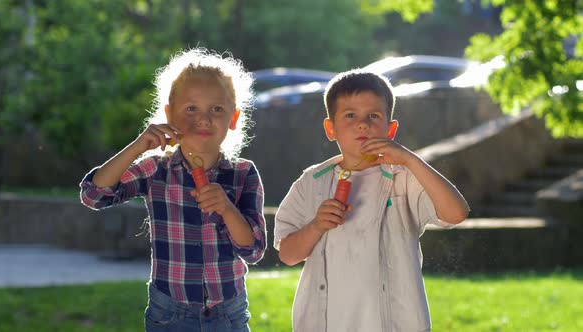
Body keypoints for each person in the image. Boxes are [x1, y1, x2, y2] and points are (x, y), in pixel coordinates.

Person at [80, 47, 266, 332]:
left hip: (228, 313)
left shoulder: (243, 173)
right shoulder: (156, 169)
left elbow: (253, 250)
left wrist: (227, 209)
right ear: (169, 114)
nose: (203, 118)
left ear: (233, 118)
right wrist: (138, 146)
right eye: (191, 108)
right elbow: (94, 195)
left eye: (216, 109)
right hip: (169, 313)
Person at [274, 69, 470, 331]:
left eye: (373, 116)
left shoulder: (404, 178)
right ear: (330, 128)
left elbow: (456, 213)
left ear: (390, 130)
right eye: (350, 115)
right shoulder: (312, 183)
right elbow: (287, 254)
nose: (362, 124)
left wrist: (410, 159)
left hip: (393, 322)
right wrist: (316, 226)